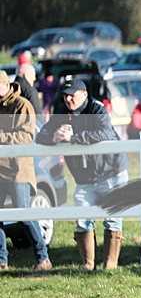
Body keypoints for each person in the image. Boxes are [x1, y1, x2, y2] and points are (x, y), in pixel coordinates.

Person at [36, 78, 129, 270]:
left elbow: (105, 134)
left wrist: (74, 138)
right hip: (84, 177)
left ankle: (109, 267)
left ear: (84, 94)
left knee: (113, 217)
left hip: (110, 171)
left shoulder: (97, 109)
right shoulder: (61, 111)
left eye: (73, 95)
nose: (68, 100)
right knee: (82, 217)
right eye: (65, 96)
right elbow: (41, 135)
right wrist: (54, 137)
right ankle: (88, 265)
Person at [0, 71, 51, 271]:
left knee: (24, 215)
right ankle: (2, 261)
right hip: (0, 170)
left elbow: (25, 137)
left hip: (17, 171)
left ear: (5, 85)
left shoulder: (22, 106)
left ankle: (43, 258)